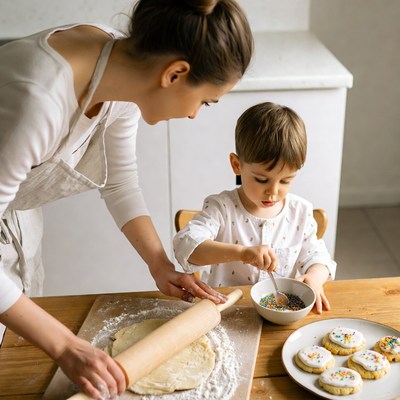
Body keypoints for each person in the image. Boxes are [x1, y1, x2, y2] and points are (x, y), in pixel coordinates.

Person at [0, 0, 253, 398]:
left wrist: (159, 264)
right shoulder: (38, 103)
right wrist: (66, 345)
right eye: (204, 101)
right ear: (175, 74)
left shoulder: (123, 71)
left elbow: (119, 183)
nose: (194, 116)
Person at [173, 102, 337, 316]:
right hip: (228, 314)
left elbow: (319, 257)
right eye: (262, 180)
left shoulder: (300, 212)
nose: (273, 192)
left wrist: (314, 277)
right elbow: (186, 247)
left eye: (286, 181)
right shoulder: (221, 208)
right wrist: (242, 253)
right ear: (237, 165)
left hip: (281, 317)